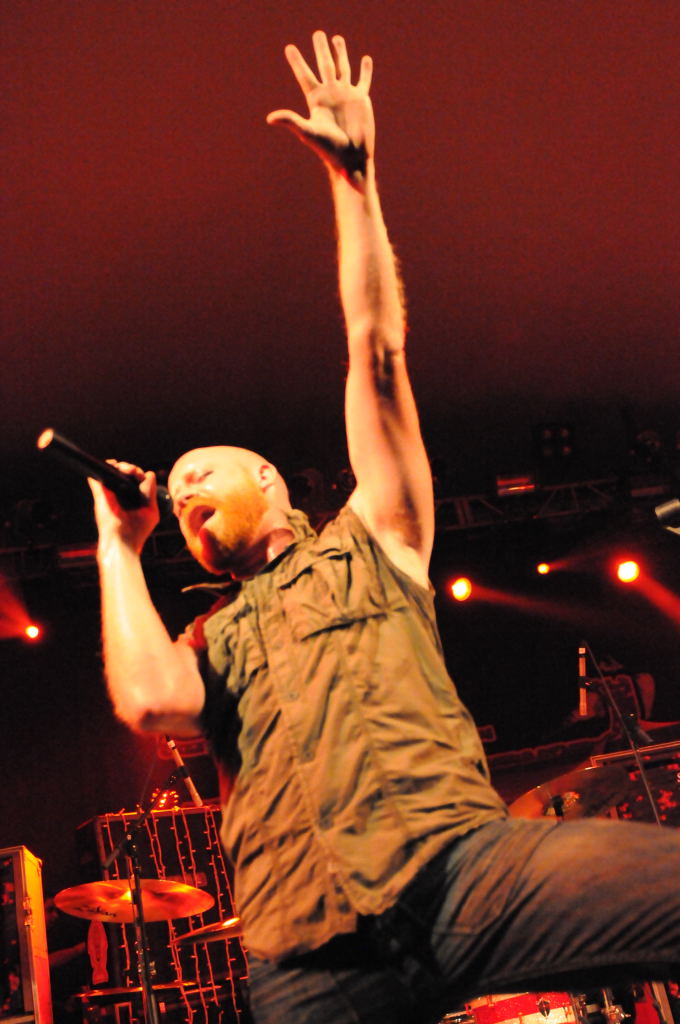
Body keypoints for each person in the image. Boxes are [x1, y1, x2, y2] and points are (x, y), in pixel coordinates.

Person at [89, 30, 680, 1024]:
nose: (183, 488)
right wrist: (118, 541)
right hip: (308, 951)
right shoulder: (208, 640)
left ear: (269, 480)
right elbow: (148, 701)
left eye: (202, 472)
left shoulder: (377, 535)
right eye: (175, 488)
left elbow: (374, 347)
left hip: (463, 873)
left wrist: (354, 185)